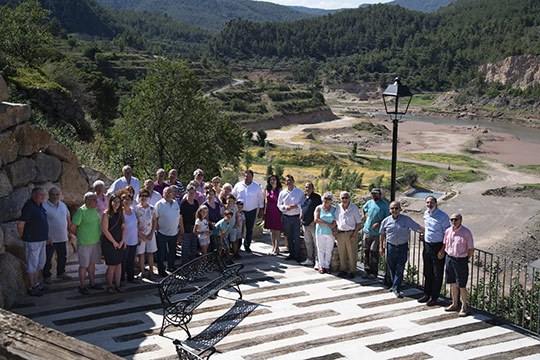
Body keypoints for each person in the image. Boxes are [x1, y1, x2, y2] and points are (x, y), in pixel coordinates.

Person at [379, 201, 424, 298]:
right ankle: (395, 285)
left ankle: (396, 287)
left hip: (402, 247)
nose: (394, 210)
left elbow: (418, 227)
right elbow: (382, 233)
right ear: (389, 210)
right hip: (390, 246)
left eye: (396, 208)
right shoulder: (386, 221)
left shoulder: (406, 220)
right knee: (392, 267)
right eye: (392, 208)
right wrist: (381, 246)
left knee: (400, 268)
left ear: (400, 209)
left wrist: (429, 233)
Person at [419, 195, 451, 306]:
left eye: (431, 202)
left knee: (437, 273)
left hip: (438, 247)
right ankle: (426, 294)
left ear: (436, 203)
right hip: (427, 246)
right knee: (427, 271)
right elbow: (428, 228)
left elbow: (446, 234)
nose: (429, 204)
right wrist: (424, 235)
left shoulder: (443, 216)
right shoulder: (426, 214)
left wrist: (443, 250)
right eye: (427, 202)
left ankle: (434, 297)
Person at [18, 187, 48, 296]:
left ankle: (36, 284)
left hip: (41, 240)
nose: (43, 197)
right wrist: (22, 236)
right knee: (32, 263)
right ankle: (31, 287)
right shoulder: (29, 206)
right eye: (41, 195)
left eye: (44, 195)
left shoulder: (40, 206)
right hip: (32, 241)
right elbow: (21, 224)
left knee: (40, 263)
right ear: (34, 195)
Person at [71, 192, 103, 295]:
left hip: (95, 241)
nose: (96, 202)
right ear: (87, 201)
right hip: (84, 243)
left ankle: (92, 283)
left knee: (92, 264)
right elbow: (73, 227)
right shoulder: (81, 211)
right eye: (94, 200)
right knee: (83, 265)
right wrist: (80, 236)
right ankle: (82, 285)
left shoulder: (95, 209)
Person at [442, 213, 474, 317]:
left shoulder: (466, 232)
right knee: (452, 283)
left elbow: (470, 249)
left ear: (461, 220)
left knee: (462, 285)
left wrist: (466, 258)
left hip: (461, 260)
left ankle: (464, 307)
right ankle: (454, 303)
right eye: (452, 220)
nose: (454, 222)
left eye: (456, 219)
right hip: (450, 258)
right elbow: (445, 243)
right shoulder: (448, 231)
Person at [42, 187, 73, 285]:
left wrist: (70, 232)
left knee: (62, 256)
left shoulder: (63, 205)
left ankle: (61, 272)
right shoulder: (44, 206)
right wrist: (45, 236)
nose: (55, 196)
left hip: (62, 236)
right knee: (48, 258)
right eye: (52, 194)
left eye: (57, 194)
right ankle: (47, 276)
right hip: (50, 238)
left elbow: (68, 219)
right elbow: (42, 223)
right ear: (49, 195)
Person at [232, 169, 264, 253]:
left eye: (249, 176)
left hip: (252, 210)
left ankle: (247, 245)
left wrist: (261, 209)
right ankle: (237, 246)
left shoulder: (257, 186)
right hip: (240, 211)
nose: (247, 178)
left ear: (252, 177)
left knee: (249, 229)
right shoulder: (238, 185)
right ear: (244, 176)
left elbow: (261, 198)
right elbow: (233, 195)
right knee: (238, 228)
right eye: (246, 176)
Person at [361, 188, 390, 279]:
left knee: (374, 252)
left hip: (377, 234)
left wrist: (378, 223)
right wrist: (363, 215)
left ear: (380, 194)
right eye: (373, 193)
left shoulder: (385, 205)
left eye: (376, 194)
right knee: (366, 251)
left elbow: (387, 218)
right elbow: (363, 208)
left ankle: (374, 272)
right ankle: (367, 270)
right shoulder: (369, 203)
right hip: (367, 231)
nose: (374, 195)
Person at [100, 194, 126, 293]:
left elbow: (124, 227)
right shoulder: (106, 214)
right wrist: (114, 242)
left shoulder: (121, 213)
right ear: (110, 202)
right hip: (109, 243)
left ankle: (117, 285)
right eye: (114, 201)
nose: (116, 204)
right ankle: (109, 286)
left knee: (119, 264)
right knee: (112, 265)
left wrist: (122, 241)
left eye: (118, 202)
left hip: (119, 241)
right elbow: (105, 230)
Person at [334, 191, 362, 279]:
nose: (344, 199)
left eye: (346, 197)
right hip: (340, 233)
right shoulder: (338, 207)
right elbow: (335, 220)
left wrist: (354, 234)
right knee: (342, 253)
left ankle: (352, 271)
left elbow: (358, 223)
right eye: (343, 198)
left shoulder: (354, 208)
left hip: (350, 233)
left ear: (349, 198)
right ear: (340, 199)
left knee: (352, 253)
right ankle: (343, 270)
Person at [155, 186, 180, 277]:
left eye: (170, 192)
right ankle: (161, 270)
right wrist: (157, 228)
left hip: (174, 232)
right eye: (167, 193)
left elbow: (178, 216)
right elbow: (155, 218)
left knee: (172, 252)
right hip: (162, 233)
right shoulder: (159, 204)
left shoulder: (175, 203)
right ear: (163, 194)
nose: (169, 194)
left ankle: (171, 267)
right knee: (161, 253)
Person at [277, 174, 304, 262]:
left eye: (290, 180)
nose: (288, 182)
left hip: (296, 217)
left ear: (293, 181)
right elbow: (279, 205)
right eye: (287, 180)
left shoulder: (299, 192)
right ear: (285, 182)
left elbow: (303, 203)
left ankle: (297, 255)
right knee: (289, 236)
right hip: (286, 217)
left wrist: (296, 206)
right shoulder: (282, 193)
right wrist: (285, 207)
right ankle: (291, 254)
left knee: (296, 237)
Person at [134, 188, 158, 280]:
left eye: (145, 196)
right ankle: (142, 271)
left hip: (150, 233)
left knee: (150, 253)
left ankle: (151, 271)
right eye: (142, 196)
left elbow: (154, 221)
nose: (143, 198)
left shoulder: (151, 208)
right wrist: (141, 234)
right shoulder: (136, 209)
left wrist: (152, 233)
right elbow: (135, 223)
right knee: (141, 253)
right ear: (139, 197)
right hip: (140, 234)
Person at [300, 181, 322, 268]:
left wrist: (314, 221)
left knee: (316, 243)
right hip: (305, 224)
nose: (307, 189)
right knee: (308, 242)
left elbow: (320, 209)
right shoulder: (304, 197)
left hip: (313, 224)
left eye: (309, 187)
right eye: (306, 187)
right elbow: (302, 208)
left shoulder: (316, 197)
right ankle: (309, 259)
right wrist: (301, 217)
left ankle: (317, 261)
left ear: (312, 188)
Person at [314, 192, 337, 274]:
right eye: (325, 198)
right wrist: (328, 224)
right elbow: (316, 219)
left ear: (331, 200)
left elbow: (335, 220)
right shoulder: (318, 208)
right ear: (322, 199)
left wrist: (333, 227)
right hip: (320, 231)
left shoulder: (334, 209)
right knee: (320, 250)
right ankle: (321, 266)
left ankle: (326, 266)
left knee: (328, 250)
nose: (327, 200)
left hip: (330, 233)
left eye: (329, 199)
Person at [121, 193, 139, 283]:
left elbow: (137, 224)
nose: (128, 201)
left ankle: (130, 277)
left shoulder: (133, 211)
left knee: (131, 260)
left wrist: (138, 237)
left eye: (129, 200)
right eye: (126, 199)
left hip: (134, 239)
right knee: (123, 260)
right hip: (125, 241)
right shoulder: (121, 213)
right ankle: (121, 278)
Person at [179, 184, 200, 264]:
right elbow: (180, 216)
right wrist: (182, 227)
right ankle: (184, 263)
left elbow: (197, 215)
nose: (191, 194)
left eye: (193, 192)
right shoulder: (184, 203)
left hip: (194, 226)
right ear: (187, 192)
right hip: (186, 226)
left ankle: (193, 262)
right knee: (186, 247)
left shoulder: (195, 202)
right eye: (190, 192)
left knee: (193, 246)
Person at [264, 175, 283, 256]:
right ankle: (273, 247)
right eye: (271, 180)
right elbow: (266, 201)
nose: (272, 181)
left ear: (277, 180)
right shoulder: (268, 190)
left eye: (274, 179)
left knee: (277, 230)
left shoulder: (279, 190)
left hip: (277, 211)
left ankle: (277, 248)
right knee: (272, 230)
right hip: (269, 211)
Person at [203, 186, 222, 250]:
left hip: (217, 225)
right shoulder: (204, 205)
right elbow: (203, 217)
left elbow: (219, 215)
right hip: (208, 226)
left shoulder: (217, 204)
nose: (211, 196)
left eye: (212, 194)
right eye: (209, 194)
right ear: (206, 195)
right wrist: (210, 223)